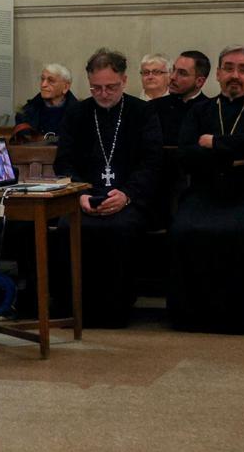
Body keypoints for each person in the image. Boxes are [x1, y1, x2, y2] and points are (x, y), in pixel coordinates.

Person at [169, 44, 244, 334]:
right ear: (218, 74)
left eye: (243, 70)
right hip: (206, 191)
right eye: (229, 68)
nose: (235, 75)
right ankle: (193, 317)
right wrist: (237, 157)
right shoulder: (201, 110)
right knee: (184, 229)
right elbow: (186, 155)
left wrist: (215, 144)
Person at [50, 48, 163, 326]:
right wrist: (80, 193)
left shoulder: (142, 112)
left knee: (121, 228)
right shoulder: (77, 113)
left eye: (110, 87)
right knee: (67, 227)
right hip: (84, 197)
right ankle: (73, 308)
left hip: (129, 199)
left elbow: (151, 161)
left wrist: (127, 195)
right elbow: (64, 160)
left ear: (124, 80)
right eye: (96, 88)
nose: (103, 93)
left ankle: (115, 312)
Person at [152, 50, 210, 146]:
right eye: (173, 70)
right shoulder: (153, 107)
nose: (172, 77)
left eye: (182, 73)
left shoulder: (212, 111)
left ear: (199, 81)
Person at [15, 63, 79, 138]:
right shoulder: (25, 113)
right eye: (42, 79)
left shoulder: (81, 114)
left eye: (51, 81)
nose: (43, 85)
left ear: (65, 87)